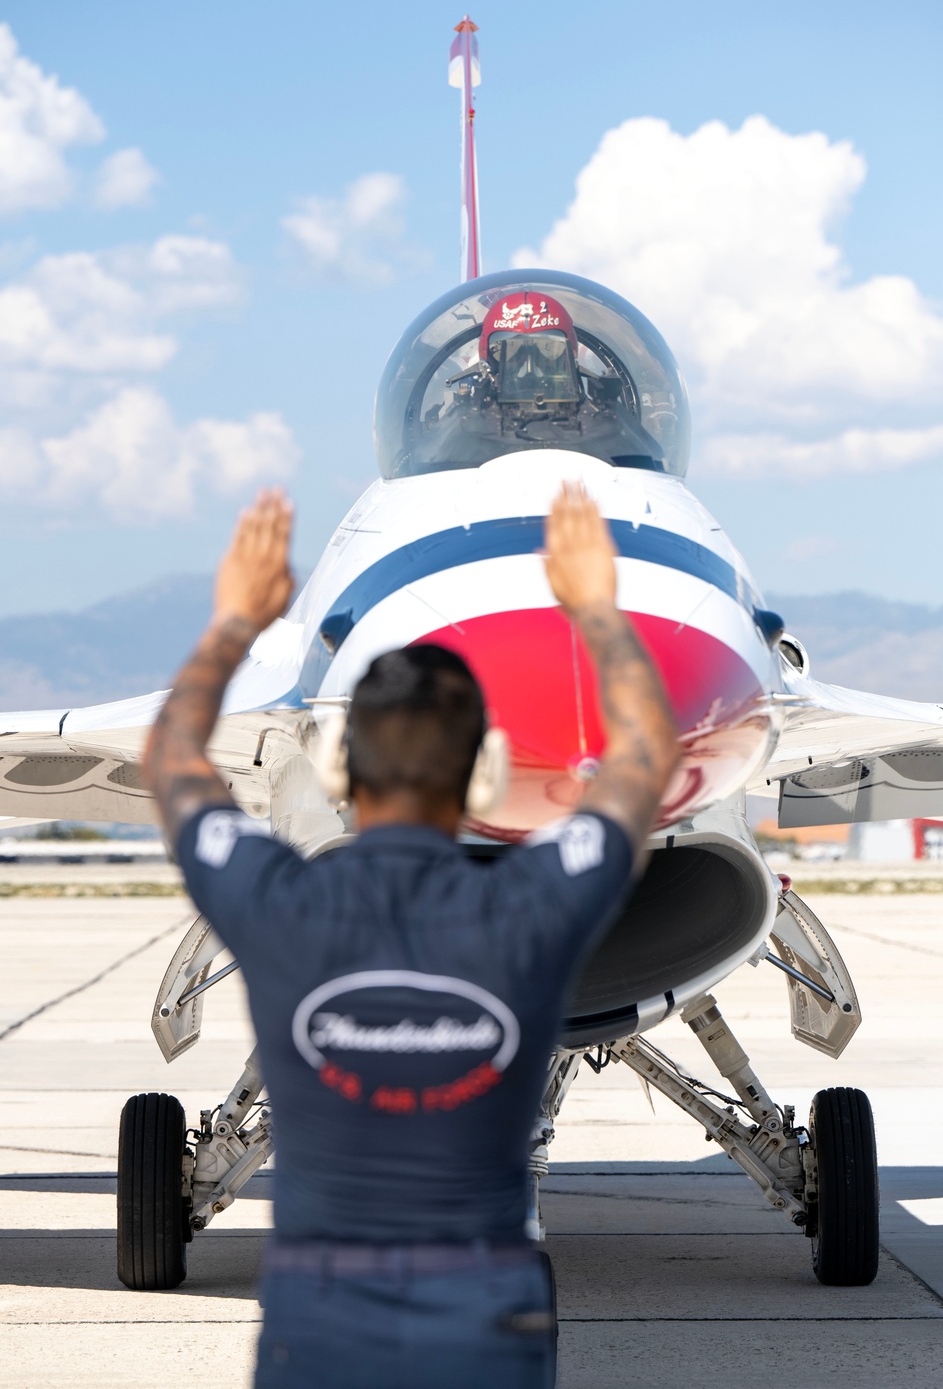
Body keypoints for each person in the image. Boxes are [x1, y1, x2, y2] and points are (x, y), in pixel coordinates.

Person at [143, 482, 679, 1389]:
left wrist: (236, 623)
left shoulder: (274, 903)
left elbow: (172, 763)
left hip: (318, 1321)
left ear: (338, 763)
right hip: (487, 1316)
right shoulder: (535, 905)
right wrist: (594, 608)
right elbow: (642, 763)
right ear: (485, 774)